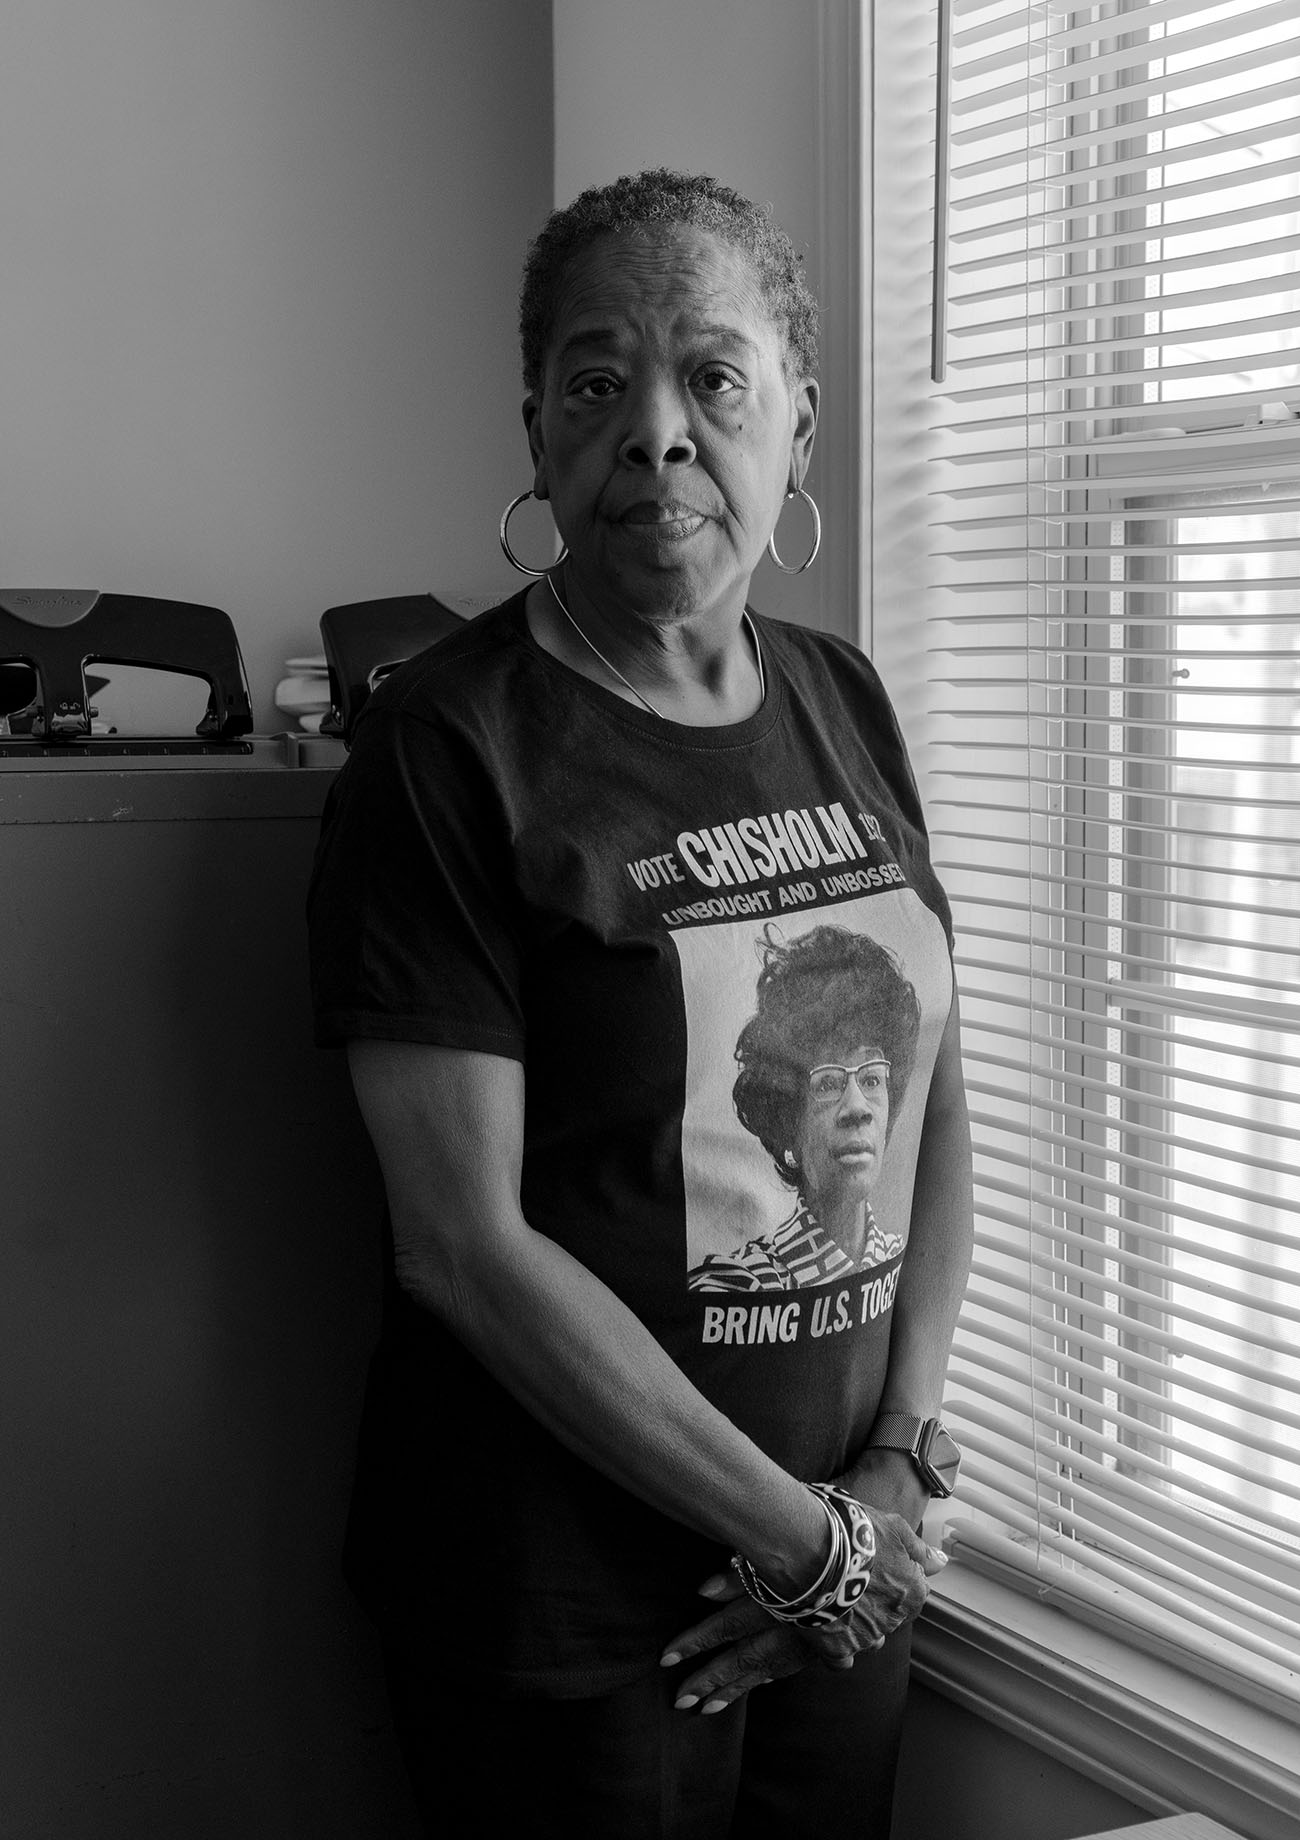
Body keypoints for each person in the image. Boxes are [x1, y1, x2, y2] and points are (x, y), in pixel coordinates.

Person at [308, 169, 974, 1840]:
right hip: (573, 1616)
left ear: (798, 424)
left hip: (840, 1566)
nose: (657, 432)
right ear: (537, 435)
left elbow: (931, 1085)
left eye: (713, 379)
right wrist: (807, 1542)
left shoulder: (843, 696)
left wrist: (891, 1469)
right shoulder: (449, 749)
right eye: (597, 381)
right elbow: (460, 1245)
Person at [688, 925, 919, 1293]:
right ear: (788, 1123)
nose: (858, 1107)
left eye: (872, 1079)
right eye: (828, 1083)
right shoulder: (736, 1285)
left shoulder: (905, 1268)